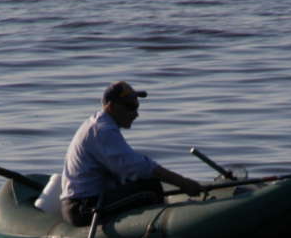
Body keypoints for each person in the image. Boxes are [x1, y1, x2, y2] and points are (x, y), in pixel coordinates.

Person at [60, 81, 203, 227]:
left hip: (84, 202)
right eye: (131, 108)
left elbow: (127, 169)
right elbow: (140, 166)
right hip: (83, 207)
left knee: (139, 183)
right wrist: (182, 182)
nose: (136, 114)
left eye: (137, 107)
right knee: (151, 190)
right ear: (112, 107)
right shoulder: (103, 131)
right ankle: (153, 230)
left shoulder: (101, 124)